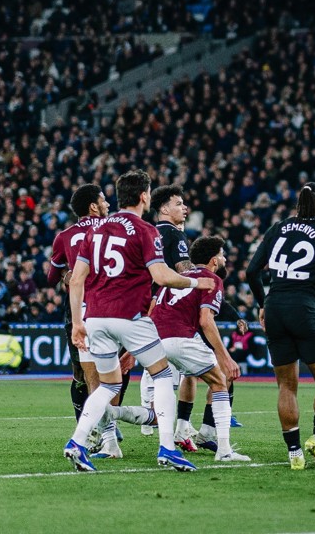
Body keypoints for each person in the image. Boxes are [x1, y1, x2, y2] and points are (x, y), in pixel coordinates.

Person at [62, 169, 215, 473]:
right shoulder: (146, 230)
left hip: (94, 318)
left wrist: (78, 322)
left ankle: (77, 442)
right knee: (160, 376)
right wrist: (196, 283)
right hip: (129, 317)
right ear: (145, 196)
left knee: (107, 385)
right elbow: (161, 276)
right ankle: (167, 449)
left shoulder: (94, 230)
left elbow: (76, 278)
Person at [110, 236, 248, 461]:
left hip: (156, 341)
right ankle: (223, 449)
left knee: (162, 407)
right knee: (221, 380)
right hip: (181, 339)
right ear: (214, 260)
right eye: (222, 255)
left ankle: (111, 412)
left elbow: (152, 312)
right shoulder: (212, 279)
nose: (224, 259)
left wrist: (132, 352)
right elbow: (206, 320)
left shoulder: (177, 278)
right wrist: (225, 357)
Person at [246, 183, 315, 471]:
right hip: (307, 308)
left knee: (287, 385)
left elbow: (252, 271)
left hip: (276, 307)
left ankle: (294, 454)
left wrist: (262, 304)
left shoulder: (278, 227)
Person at [46, 184, 110, 423]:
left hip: (79, 308)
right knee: (115, 370)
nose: (107, 204)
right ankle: (107, 426)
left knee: (82, 373)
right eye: (103, 200)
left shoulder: (64, 237)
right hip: (114, 306)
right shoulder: (115, 230)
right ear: (93, 206)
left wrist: (68, 275)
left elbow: (52, 277)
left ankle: (91, 428)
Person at [147, 184, 201, 449]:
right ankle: (179, 430)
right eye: (179, 203)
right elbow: (185, 271)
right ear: (165, 209)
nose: (185, 208)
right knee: (204, 372)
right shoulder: (175, 235)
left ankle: (109, 434)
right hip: (168, 311)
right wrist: (205, 277)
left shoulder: (149, 233)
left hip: (141, 307)